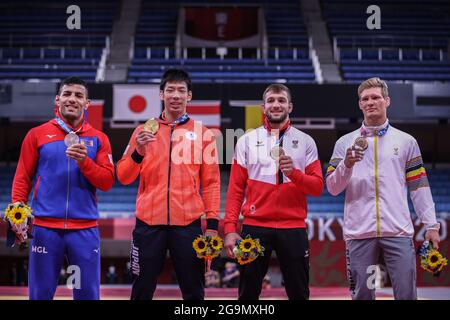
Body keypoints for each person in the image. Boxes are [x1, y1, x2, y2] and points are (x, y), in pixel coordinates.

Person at [326, 77, 440, 300]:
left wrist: (431, 225)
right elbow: (332, 187)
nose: (370, 102)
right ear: (360, 105)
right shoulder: (344, 143)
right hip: (360, 234)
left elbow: (419, 186)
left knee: (406, 295)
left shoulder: (406, 142)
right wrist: (346, 164)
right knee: (363, 295)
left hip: (397, 232)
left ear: (387, 101)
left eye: (376, 97)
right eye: (365, 99)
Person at [117, 69, 220, 300]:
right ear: (161, 94)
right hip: (148, 223)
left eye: (181, 90)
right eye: (170, 90)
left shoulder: (203, 134)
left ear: (189, 96)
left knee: (194, 290)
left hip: (188, 224)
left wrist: (212, 225)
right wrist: (138, 153)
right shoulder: (142, 132)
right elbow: (123, 177)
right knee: (142, 289)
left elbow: (212, 183)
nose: (176, 95)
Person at [11, 76, 115, 300]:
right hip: (46, 229)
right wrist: (18, 207)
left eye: (79, 95)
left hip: (84, 230)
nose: (72, 99)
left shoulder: (99, 139)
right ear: (57, 100)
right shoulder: (36, 135)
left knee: (87, 295)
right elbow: (22, 178)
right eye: (67, 94)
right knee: (40, 295)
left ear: (87, 104)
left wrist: (85, 162)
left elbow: (107, 181)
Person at [224, 83, 324, 300]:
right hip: (255, 226)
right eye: (271, 101)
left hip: (293, 227)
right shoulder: (246, 141)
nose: (276, 105)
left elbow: (317, 187)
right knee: (248, 294)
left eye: (281, 100)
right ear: (263, 107)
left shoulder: (306, 142)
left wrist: (295, 174)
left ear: (290, 106)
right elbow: (235, 190)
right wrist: (230, 228)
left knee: (299, 293)